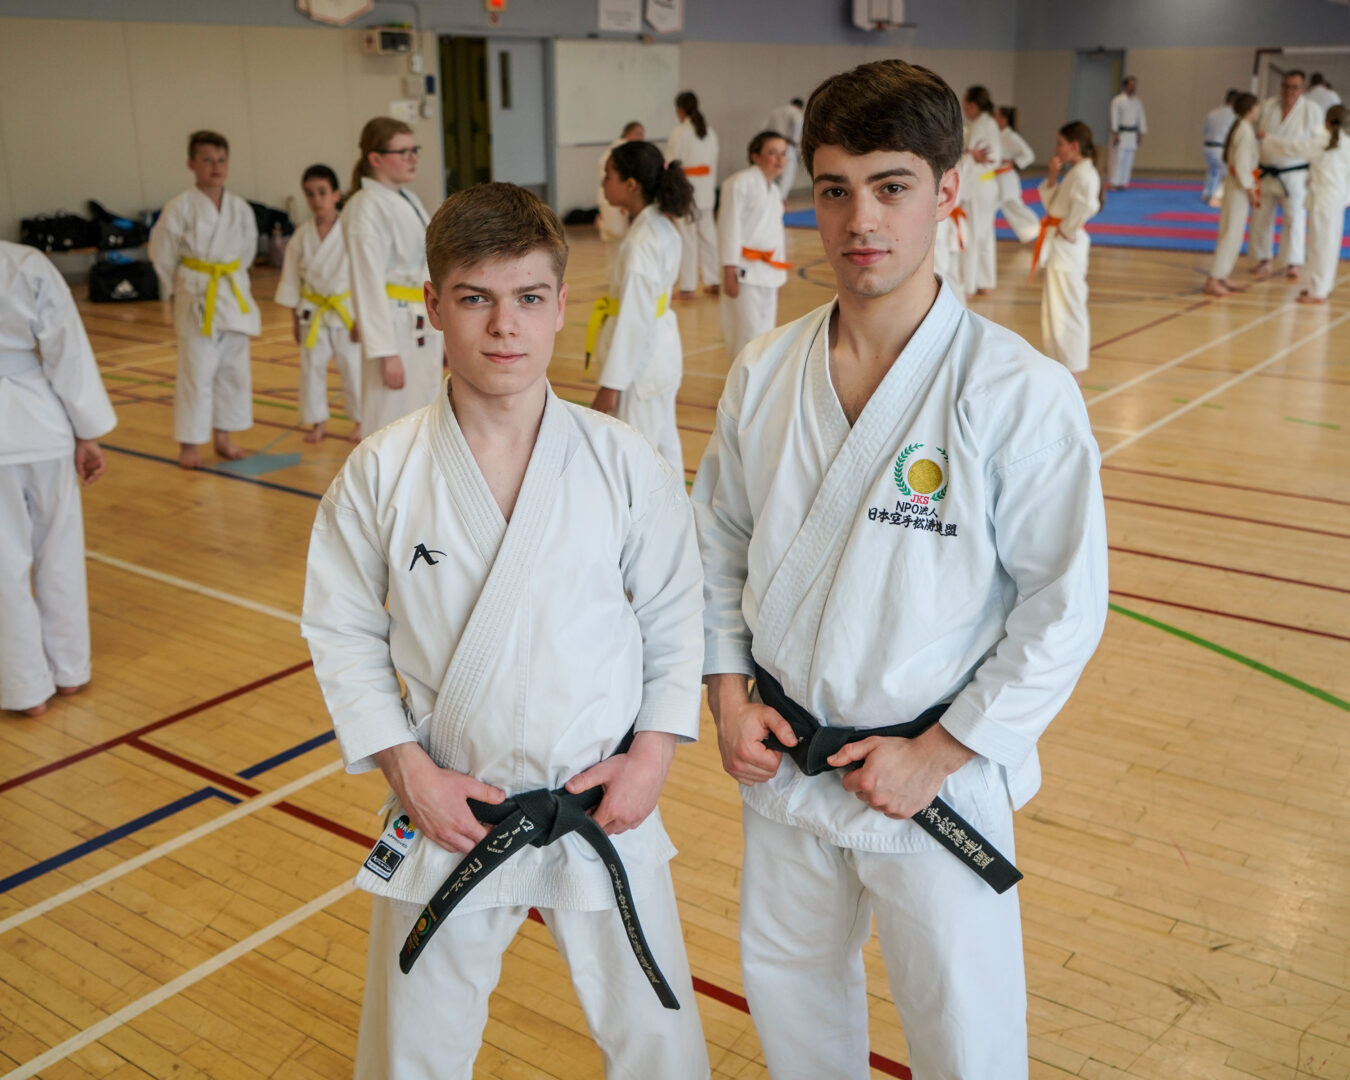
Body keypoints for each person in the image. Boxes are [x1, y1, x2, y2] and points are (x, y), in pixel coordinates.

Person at [692, 58, 1108, 1080]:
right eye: (834, 190)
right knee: (793, 1010)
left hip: (935, 781)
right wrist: (728, 696)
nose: (859, 220)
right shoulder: (764, 370)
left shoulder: (1018, 392)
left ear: (947, 192)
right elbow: (714, 548)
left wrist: (938, 754)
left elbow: (1064, 608)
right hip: (789, 765)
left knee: (964, 1037)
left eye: (892, 186)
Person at [301, 182, 710, 1080]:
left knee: (660, 1040)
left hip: (601, 800)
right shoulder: (383, 470)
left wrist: (653, 756)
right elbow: (339, 632)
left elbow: (677, 615)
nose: (503, 328)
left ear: (563, 306)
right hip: (445, 804)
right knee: (412, 1050)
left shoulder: (623, 461)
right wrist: (407, 771)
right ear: (433, 306)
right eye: (475, 299)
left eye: (528, 298)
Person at [0, 241, 116, 716]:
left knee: (4, 565)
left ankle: (26, 690)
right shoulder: (24, 262)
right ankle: (70, 671)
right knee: (59, 551)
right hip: (42, 423)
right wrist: (86, 431)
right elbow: (66, 349)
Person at [148, 130, 259, 469]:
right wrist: (183, 286)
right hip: (197, 296)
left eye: (221, 160)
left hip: (232, 293)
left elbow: (248, 251)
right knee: (196, 373)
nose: (216, 167)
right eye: (207, 160)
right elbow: (161, 254)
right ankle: (190, 444)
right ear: (191, 164)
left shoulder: (239, 208)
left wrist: (228, 277)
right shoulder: (179, 207)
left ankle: (224, 437)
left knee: (232, 371)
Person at [589, 141, 692, 473]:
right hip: (660, 353)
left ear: (631, 185)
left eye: (609, 176)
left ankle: (644, 524)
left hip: (640, 365)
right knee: (664, 445)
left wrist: (611, 386)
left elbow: (634, 320)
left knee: (637, 454)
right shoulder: (660, 225)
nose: (604, 183)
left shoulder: (642, 241)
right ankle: (681, 519)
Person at [343, 117, 444, 434]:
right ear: (375, 159)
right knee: (390, 420)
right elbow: (367, 283)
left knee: (422, 411)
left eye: (415, 149)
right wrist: (386, 354)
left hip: (417, 320)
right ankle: (384, 482)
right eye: (402, 152)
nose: (412, 158)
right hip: (393, 329)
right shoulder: (365, 206)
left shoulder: (406, 199)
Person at [275, 164, 362, 443]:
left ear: (336, 195)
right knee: (311, 369)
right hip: (311, 314)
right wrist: (293, 320)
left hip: (346, 312)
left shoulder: (352, 232)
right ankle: (317, 423)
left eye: (322, 192)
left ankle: (361, 421)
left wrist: (362, 318)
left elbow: (363, 279)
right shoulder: (301, 236)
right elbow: (290, 280)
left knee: (353, 368)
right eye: (310, 194)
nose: (316, 200)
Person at [1034, 122, 1103, 380]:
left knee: (1069, 309)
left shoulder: (1086, 174)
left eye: (1060, 143)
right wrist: (1052, 177)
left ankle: (1071, 368)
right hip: (1060, 243)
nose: (1057, 148)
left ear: (1074, 146)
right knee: (1055, 309)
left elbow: (1088, 205)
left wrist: (1068, 229)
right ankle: (1061, 365)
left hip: (1067, 244)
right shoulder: (1077, 172)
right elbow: (1054, 205)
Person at [1262, 104, 1349, 304]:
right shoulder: (1346, 143)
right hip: (1337, 198)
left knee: (1319, 245)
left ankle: (1317, 291)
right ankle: (1321, 286)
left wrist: (1268, 138)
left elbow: (1293, 148)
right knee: (1329, 244)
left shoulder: (1321, 142)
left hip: (1324, 198)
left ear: (1326, 122)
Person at [718, 131, 790, 360]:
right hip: (743, 271)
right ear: (755, 156)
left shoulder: (775, 191)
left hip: (768, 271)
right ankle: (740, 391)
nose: (779, 159)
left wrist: (778, 274)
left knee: (766, 336)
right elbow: (728, 227)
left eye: (783, 154)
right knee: (746, 335)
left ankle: (757, 389)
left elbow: (776, 234)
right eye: (772, 153)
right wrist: (729, 269)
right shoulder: (738, 183)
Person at [1249, 70, 1324, 281]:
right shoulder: (1268, 106)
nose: (1289, 91)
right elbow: (1256, 138)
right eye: (1286, 86)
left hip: (1296, 172)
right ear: (1281, 87)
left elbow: (1316, 144)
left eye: (1295, 87)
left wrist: (1314, 171)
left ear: (1303, 89)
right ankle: (1264, 258)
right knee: (1260, 216)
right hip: (1265, 170)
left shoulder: (1312, 110)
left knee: (1294, 217)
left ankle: (1293, 262)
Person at [1204, 94, 1263, 297]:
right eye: (1257, 107)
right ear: (1251, 109)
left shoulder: (1241, 128)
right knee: (1231, 234)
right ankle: (1214, 279)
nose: (1259, 110)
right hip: (1238, 187)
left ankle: (1222, 276)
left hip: (1234, 185)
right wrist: (1252, 192)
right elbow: (1241, 166)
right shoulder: (1244, 131)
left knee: (1230, 232)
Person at [666, 91, 720, 298]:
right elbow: (713, 163)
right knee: (708, 236)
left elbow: (672, 164)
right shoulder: (709, 132)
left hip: (687, 191)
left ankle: (688, 286)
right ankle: (713, 280)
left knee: (687, 238)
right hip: (706, 190)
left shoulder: (680, 132)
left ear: (680, 110)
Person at [960, 85, 1002, 295]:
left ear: (973, 105)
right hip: (987, 184)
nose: (964, 108)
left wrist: (966, 153)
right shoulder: (989, 122)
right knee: (985, 236)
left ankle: (969, 284)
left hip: (977, 186)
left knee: (973, 235)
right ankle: (985, 282)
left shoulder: (980, 125)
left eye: (965, 104)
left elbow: (971, 158)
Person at [596, 120, 646, 279]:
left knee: (619, 239)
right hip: (612, 198)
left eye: (642, 134)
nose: (641, 137)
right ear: (627, 133)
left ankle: (618, 276)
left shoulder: (625, 151)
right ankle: (617, 277)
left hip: (616, 197)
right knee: (616, 236)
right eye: (637, 133)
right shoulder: (619, 150)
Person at [995, 106, 1042, 243]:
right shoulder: (999, 134)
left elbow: (1029, 155)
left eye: (997, 116)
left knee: (1014, 205)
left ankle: (1034, 228)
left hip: (1006, 178)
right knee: (1010, 207)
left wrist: (1013, 163)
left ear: (1004, 120)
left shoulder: (1011, 136)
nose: (994, 119)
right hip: (997, 178)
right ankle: (1031, 231)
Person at [1202, 90, 1240, 207]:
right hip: (1220, 147)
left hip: (1207, 147)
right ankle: (1216, 197)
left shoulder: (1213, 113)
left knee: (1213, 171)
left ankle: (1207, 193)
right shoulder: (1234, 115)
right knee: (1227, 172)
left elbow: (1205, 129)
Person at [1108, 75, 1147, 189]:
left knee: (1129, 160)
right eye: (1130, 85)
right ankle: (1114, 182)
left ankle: (1124, 183)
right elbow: (1114, 117)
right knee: (1118, 159)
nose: (1133, 88)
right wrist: (1115, 132)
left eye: (1134, 85)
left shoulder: (1137, 102)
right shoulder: (1117, 101)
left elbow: (1141, 118)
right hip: (1121, 133)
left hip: (1132, 134)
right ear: (1125, 86)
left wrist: (1141, 134)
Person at [763, 97, 805, 198]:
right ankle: (779, 200)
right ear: (800, 107)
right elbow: (798, 122)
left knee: (772, 173)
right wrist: (795, 140)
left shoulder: (775, 112)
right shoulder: (796, 113)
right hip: (787, 146)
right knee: (787, 175)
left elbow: (763, 127)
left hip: (771, 144)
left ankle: (768, 197)